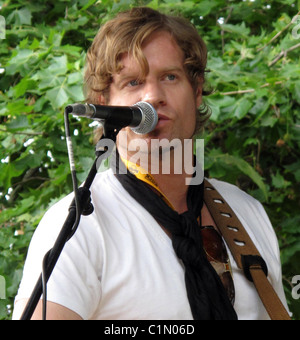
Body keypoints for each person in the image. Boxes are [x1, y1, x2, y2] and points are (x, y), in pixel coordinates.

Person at [13, 7, 289, 320]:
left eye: (170, 77)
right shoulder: (78, 224)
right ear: (104, 105)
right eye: (132, 82)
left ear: (196, 92)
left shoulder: (246, 212)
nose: (153, 96)